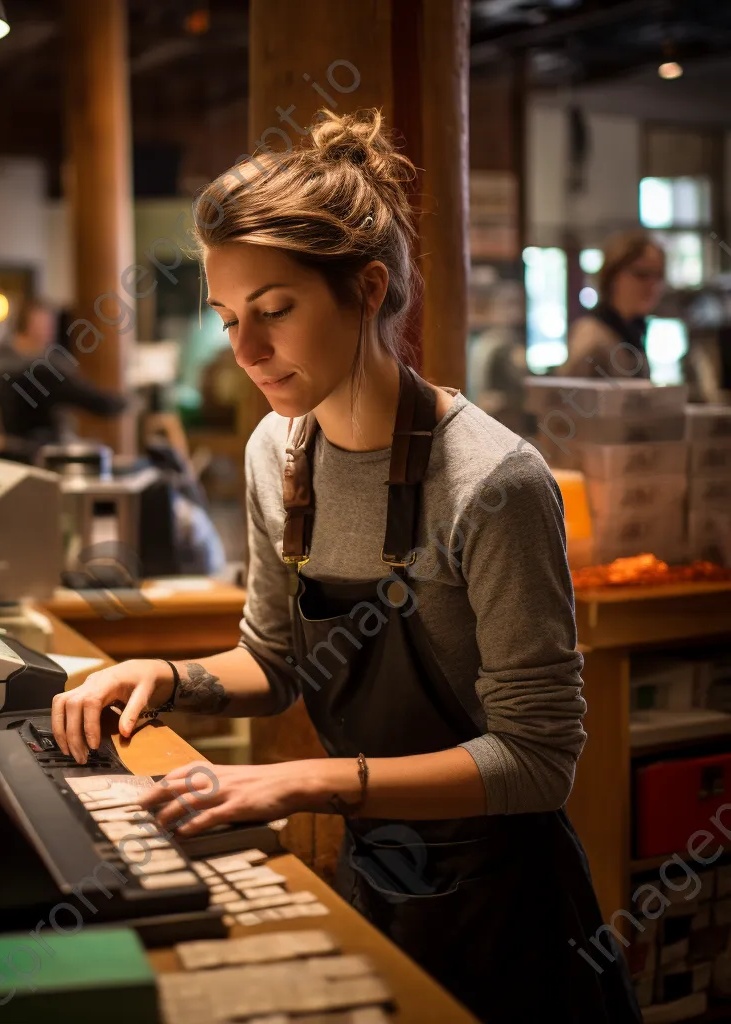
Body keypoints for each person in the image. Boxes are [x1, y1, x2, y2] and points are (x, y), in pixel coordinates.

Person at [51, 109, 641, 1023]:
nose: (245, 353)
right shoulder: (275, 455)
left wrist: (308, 780)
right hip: (382, 873)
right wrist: (166, 677)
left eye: (275, 313)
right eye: (229, 318)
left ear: (368, 289)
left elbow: (537, 761)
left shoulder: (494, 483)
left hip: (509, 910)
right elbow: (276, 663)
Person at [0, 296, 127, 448]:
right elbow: (96, 401)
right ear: (26, 324)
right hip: (31, 445)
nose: (49, 329)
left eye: (51, 323)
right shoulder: (12, 363)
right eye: (43, 323)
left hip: (36, 442)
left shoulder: (54, 360)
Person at [560, 229, 666, 379]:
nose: (653, 285)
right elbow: (571, 398)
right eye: (641, 274)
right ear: (613, 276)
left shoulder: (634, 330)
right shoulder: (592, 336)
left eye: (659, 276)